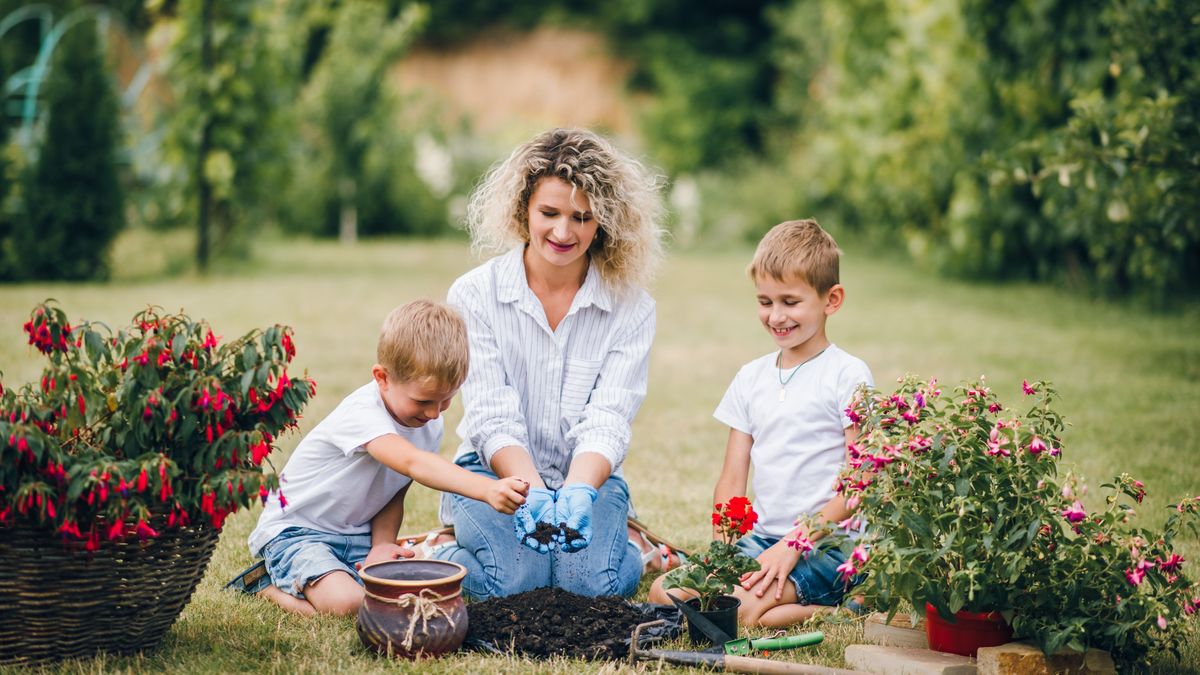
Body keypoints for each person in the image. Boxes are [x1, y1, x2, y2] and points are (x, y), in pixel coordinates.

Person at [429, 128, 667, 600]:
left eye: (582, 217)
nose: (564, 232)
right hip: (492, 474)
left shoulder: (632, 307)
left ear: (603, 221)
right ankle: (439, 549)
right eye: (550, 213)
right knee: (513, 582)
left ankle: (635, 546)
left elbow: (609, 418)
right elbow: (490, 412)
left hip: (586, 479)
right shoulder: (474, 295)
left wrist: (578, 491)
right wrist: (533, 490)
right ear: (524, 210)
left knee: (589, 586)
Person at [234, 300, 529, 616]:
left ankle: (356, 567)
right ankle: (262, 584)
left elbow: (394, 490)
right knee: (349, 604)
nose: (433, 413)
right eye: (424, 400)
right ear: (382, 378)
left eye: (447, 400)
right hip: (297, 534)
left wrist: (381, 547)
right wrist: (486, 490)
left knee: (413, 583)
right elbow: (412, 463)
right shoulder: (363, 414)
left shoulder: (427, 423)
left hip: (355, 536)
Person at [649, 219, 873, 627]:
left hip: (828, 545)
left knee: (736, 615)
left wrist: (794, 544)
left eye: (790, 302)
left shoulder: (847, 375)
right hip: (763, 540)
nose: (776, 316)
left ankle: (826, 609)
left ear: (832, 299)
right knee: (664, 593)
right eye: (765, 301)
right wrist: (721, 554)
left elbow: (859, 485)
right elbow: (732, 479)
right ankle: (786, 609)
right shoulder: (751, 378)